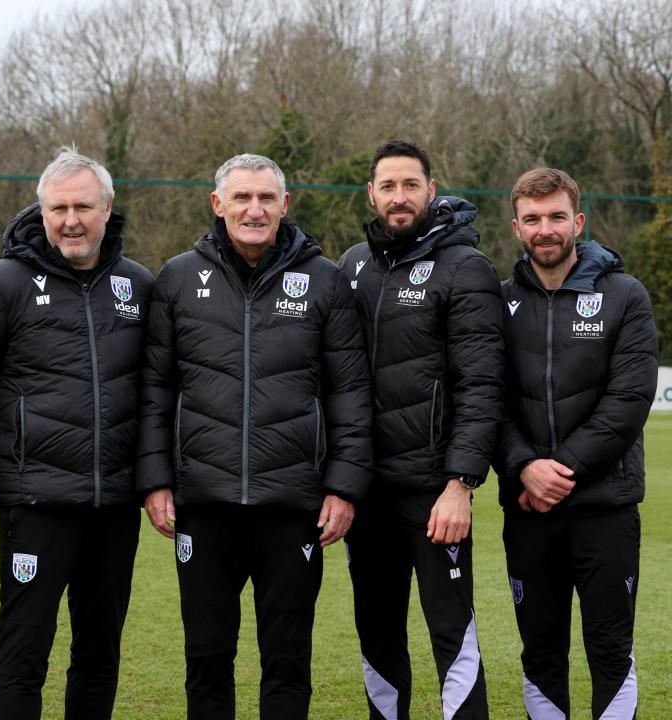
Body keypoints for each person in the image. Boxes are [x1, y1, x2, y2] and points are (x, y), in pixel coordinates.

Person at [138, 153, 372, 720]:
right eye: (241, 197)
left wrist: (343, 487)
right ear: (217, 204)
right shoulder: (176, 278)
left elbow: (350, 393)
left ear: (284, 205)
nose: (254, 209)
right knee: (206, 660)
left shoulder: (326, 280)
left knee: (287, 663)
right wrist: (155, 480)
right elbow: (155, 390)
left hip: (293, 506)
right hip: (204, 504)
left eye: (266, 197)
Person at [0, 148, 153, 720]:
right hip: (36, 506)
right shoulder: (1, 284)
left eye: (83, 207)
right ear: (41, 211)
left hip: (115, 506)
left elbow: (155, 391)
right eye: (58, 208)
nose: (71, 220)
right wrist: (15, 473)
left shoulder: (139, 285)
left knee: (99, 653)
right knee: (24, 653)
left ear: (107, 208)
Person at [337, 139, 504, 719]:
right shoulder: (352, 265)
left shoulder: (465, 267)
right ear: (371, 194)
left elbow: (482, 385)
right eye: (388, 186)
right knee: (377, 632)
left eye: (411, 185)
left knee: (451, 636)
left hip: (434, 493)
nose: (399, 197)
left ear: (431, 191)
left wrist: (461, 483)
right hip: (367, 490)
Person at [493, 168, 657, 719]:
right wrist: (523, 467)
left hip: (605, 508)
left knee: (610, 651)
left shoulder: (625, 296)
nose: (545, 229)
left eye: (557, 217)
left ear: (578, 222)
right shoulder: (497, 302)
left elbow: (630, 399)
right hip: (528, 511)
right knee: (540, 652)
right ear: (517, 227)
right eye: (533, 218)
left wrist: (555, 470)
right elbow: (488, 400)